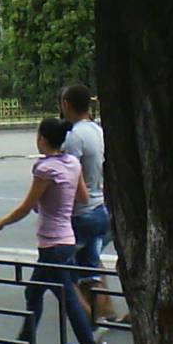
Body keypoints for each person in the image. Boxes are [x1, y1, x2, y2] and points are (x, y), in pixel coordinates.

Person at [0, 117, 103, 344]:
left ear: (42, 138)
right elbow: (82, 197)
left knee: (67, 299)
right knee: (35, 292)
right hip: (65, 241)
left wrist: (0, 223)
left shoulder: (45, 168)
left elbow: (27, 206)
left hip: (52, 245)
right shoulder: (72, 163)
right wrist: (57, 201)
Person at [60, 83, 117, 326]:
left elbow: (69, 176)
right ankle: (106, 312)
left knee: (65, 271)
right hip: (99, 207)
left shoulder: (74, 137)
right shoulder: (97, 130)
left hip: (81, 212)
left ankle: (91, 323)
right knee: (91, 264)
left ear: (66, 104)